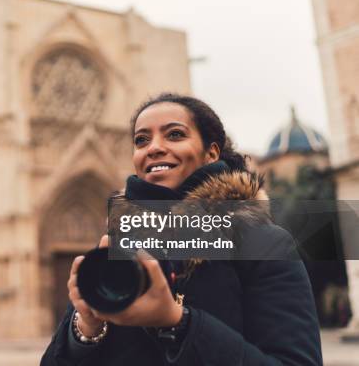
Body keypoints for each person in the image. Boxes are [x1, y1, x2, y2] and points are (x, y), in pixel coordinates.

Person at [41, 93, 323, 365]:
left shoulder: (264, 243)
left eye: (174, 134)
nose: (153, 147)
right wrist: (85, 330)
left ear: (211, 152)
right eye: (141, 140)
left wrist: (178, 322)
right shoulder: (118, 243)